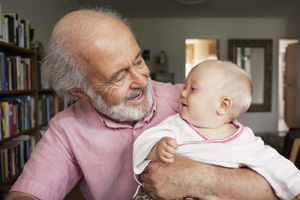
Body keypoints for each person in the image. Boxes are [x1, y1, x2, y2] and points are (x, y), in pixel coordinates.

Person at [6, 8, 279, 200]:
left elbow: (272, 186)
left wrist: (200, 179)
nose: (142, 78)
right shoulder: (66, 130)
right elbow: (27, 193)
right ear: (80, 90)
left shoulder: (188, 101)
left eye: (138, 60)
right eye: (118, 76)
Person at [133, 60, 300, 200]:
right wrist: (156, 148)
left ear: (223, 105)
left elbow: (274, 163)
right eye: (185, 86)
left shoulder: (244, 139)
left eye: (193, 88)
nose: (182, 93)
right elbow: (145, 139)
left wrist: (296, 186)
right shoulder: (177, 125)